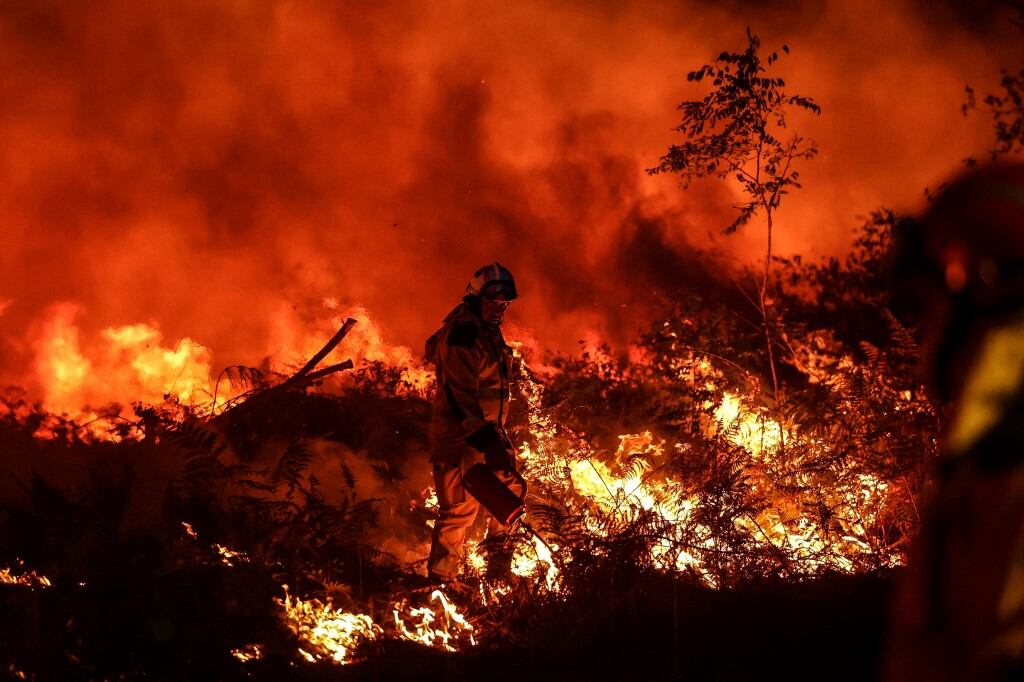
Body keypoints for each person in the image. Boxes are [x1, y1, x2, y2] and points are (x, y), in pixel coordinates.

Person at [886, 163, 1024, 680]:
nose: (928, 325)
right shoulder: (992, 434)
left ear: (982, 283)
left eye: (935, 296)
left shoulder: (1007, 451)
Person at [424, 262, 526, 583]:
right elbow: (460, 396)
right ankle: (440, 586)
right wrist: (488, 444)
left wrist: (495, 441)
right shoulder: (463, 334)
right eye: (493, 300)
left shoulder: (487, 333)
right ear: (475, 297)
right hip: (460, 441)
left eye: (504, 303)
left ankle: (498, 573)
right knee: (458, 513)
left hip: (488, 437)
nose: (500, 308)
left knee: (511, 497)